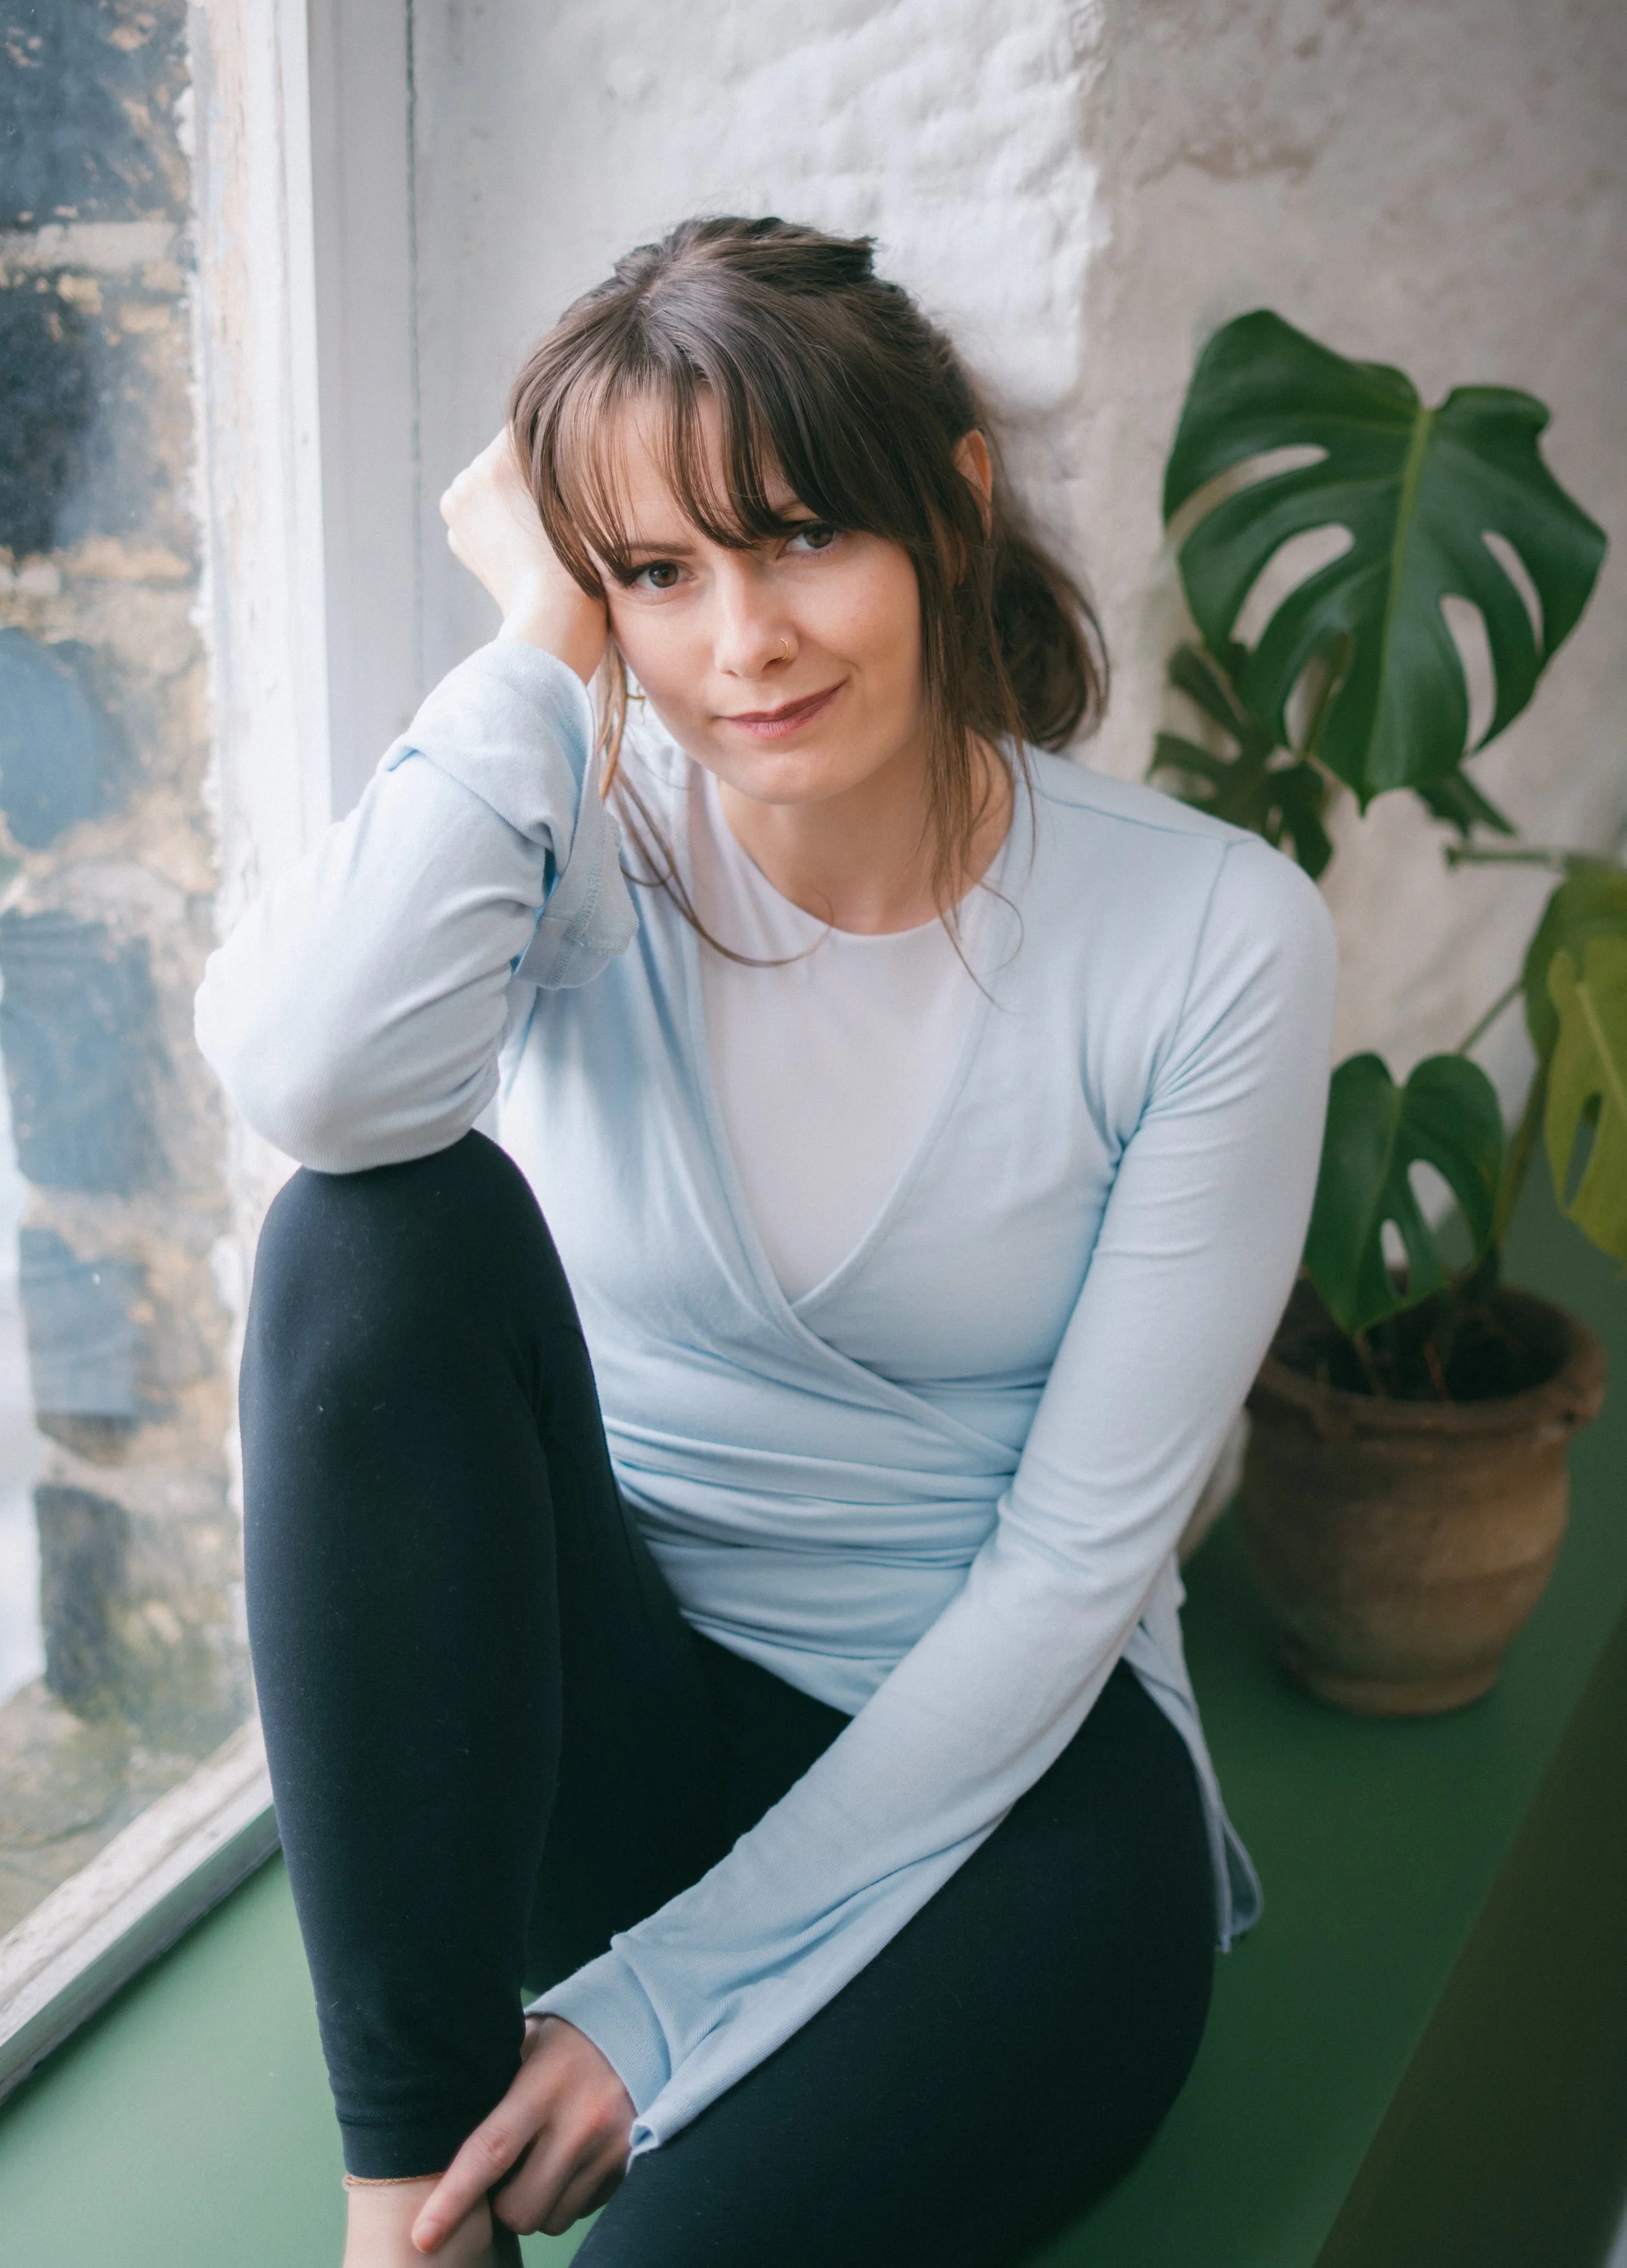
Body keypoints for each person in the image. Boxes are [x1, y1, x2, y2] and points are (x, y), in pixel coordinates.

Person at [196, 216, 1335, 2268]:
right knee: (373, 1232)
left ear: (950, 510)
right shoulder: (570, 851)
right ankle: (404, 2219)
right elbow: (312, 1079)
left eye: (800, 535)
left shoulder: (1206, 938)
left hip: (1009, 1790)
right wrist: (544, 638)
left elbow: (1074, 1574)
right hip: (618, 1724)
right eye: (658, 571)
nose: (742, 642)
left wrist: (651, 2013)